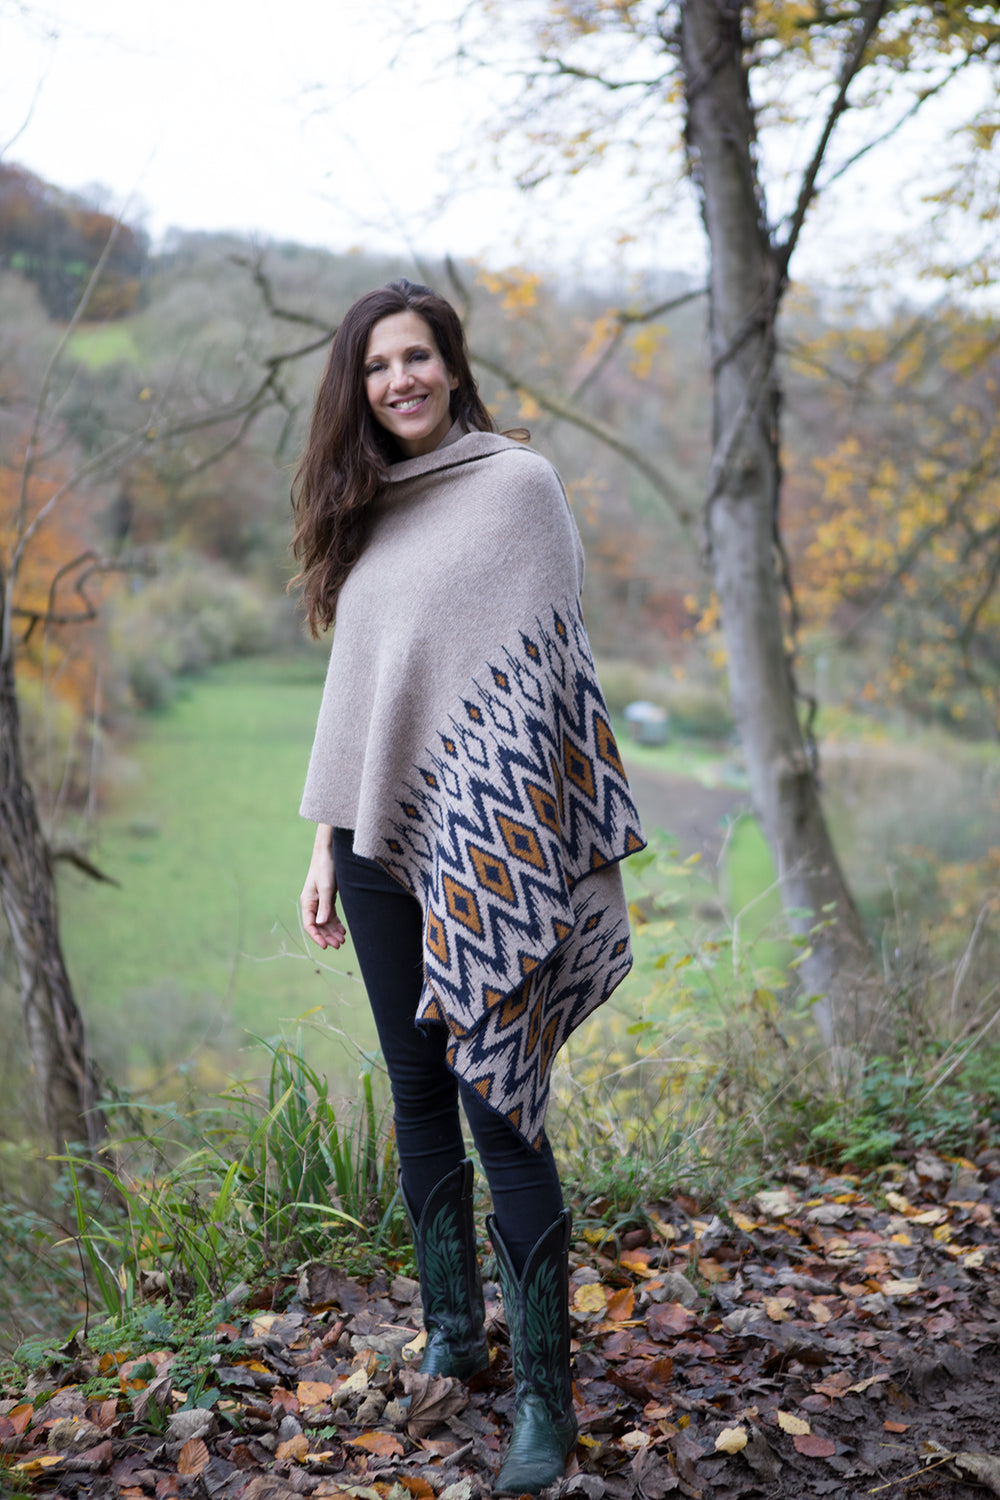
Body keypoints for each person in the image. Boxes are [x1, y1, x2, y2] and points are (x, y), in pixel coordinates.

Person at [294, 279, 644, 1493]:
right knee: (415, 1089)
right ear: (361, 385)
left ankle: (546, 1400)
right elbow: (364, 696)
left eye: (418, 357)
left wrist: (499, 845)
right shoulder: (365, 509)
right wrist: (328, 841)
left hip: (490, 849)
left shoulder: (517, 488)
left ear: (452, 364)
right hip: (383, 853)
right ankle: (455, 1326)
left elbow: (542, 691)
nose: (399, 380)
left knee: (502, 1106)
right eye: (379, 365)